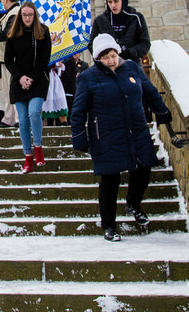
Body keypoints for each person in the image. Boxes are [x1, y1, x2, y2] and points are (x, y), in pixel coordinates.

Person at [70, 34, 172, 242]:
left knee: (144, 167)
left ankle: (134, 203)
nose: (111, 61)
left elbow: (150, 92)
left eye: (113, 55)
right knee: (110, 180)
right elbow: (78, 111)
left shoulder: (132, 68)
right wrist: (79, 137)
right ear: (98, 58)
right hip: (106, 134)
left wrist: (162, 112)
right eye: (105, 57)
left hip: (135, 129)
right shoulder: (88, 77)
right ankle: (109, 225)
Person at [4, 1, 51, 173]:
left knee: (34, 112)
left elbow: (45, 59)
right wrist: (21, 77)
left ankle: (38, 147)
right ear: (20, 16)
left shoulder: (43, 32)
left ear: (35, 15)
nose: (27, 18)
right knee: (22, 120)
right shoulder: (13, 33)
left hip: (38, 80)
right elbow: (8, 60)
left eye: (30, 15)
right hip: (19, 82)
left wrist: (31, 78)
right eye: (24, 15)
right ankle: (28, 156)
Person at [88, 0, 150, 66]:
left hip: (131, 64)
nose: (113, 5)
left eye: (116, 1)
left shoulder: (136, 18)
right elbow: (92, 45)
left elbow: (145, 43)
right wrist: (105, 55)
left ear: (123, 1)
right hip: (108, 67)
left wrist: (129, 52)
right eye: (110, 2)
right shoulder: (100, 20)